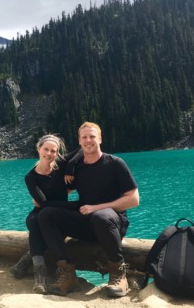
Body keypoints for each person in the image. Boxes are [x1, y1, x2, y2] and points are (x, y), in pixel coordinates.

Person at [38, 122, 139, 297]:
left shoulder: (115, 163)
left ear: (100, 138)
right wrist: (38, 188)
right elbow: (62, 190)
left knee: (101, 216)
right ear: (79, 141)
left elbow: (133, 199)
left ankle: (117, 271)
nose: (88, 140)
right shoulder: (78, 167)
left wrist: (97, 207)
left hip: (112, 223)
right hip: (86, 221)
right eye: (84, 137)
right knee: (47, 214)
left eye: (92, 136)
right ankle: (68, 273)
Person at [10, 134, 78, 294]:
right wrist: (72, 205)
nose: (49, 153)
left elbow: (81, 150)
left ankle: (27, 260)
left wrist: (69, 167)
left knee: (42, 224)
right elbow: (44, 204)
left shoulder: (61, 164)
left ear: (58, 152)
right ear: (39, 149)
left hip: (59, 216)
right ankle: (39, 275)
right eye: (46, 149)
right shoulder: (31, 177)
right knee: (35, 221)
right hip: (44, 212)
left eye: (53, 151)